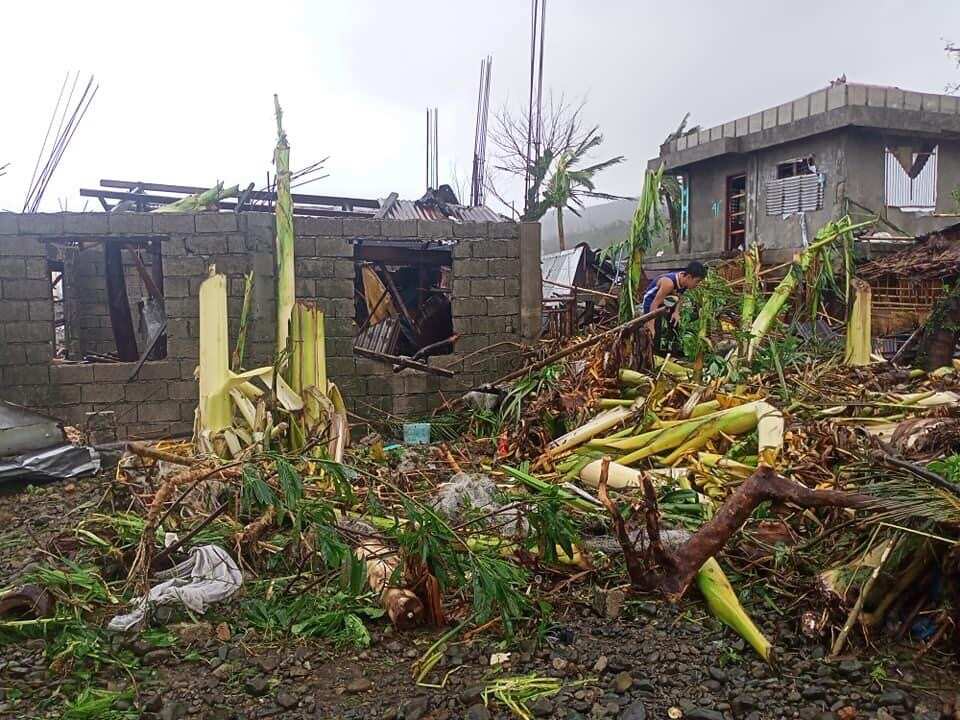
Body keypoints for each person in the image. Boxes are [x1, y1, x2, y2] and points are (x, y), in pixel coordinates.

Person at [641, 260, 707, 351]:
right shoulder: (669, 283)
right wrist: (651, 325)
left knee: (675, 320)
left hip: (664, 300)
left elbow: (679, 297)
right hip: (651, 302)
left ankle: (673, 347)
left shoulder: (684, 282)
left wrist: (676, 312)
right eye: (697, 281)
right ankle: (653, 352)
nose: (697, 284)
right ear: (689, 277)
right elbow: (654, 304)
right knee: (655, 331)